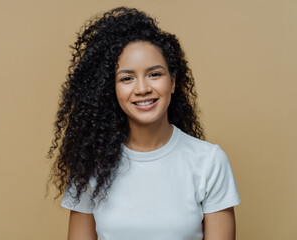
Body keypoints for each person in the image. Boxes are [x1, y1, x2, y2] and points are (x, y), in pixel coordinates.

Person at [46, 6, 241, 240]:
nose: (142, 89)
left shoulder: (209, 162)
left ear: (173, 82)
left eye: (154, 74)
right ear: (112, 90)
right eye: (127, 78)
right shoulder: (90, 166)